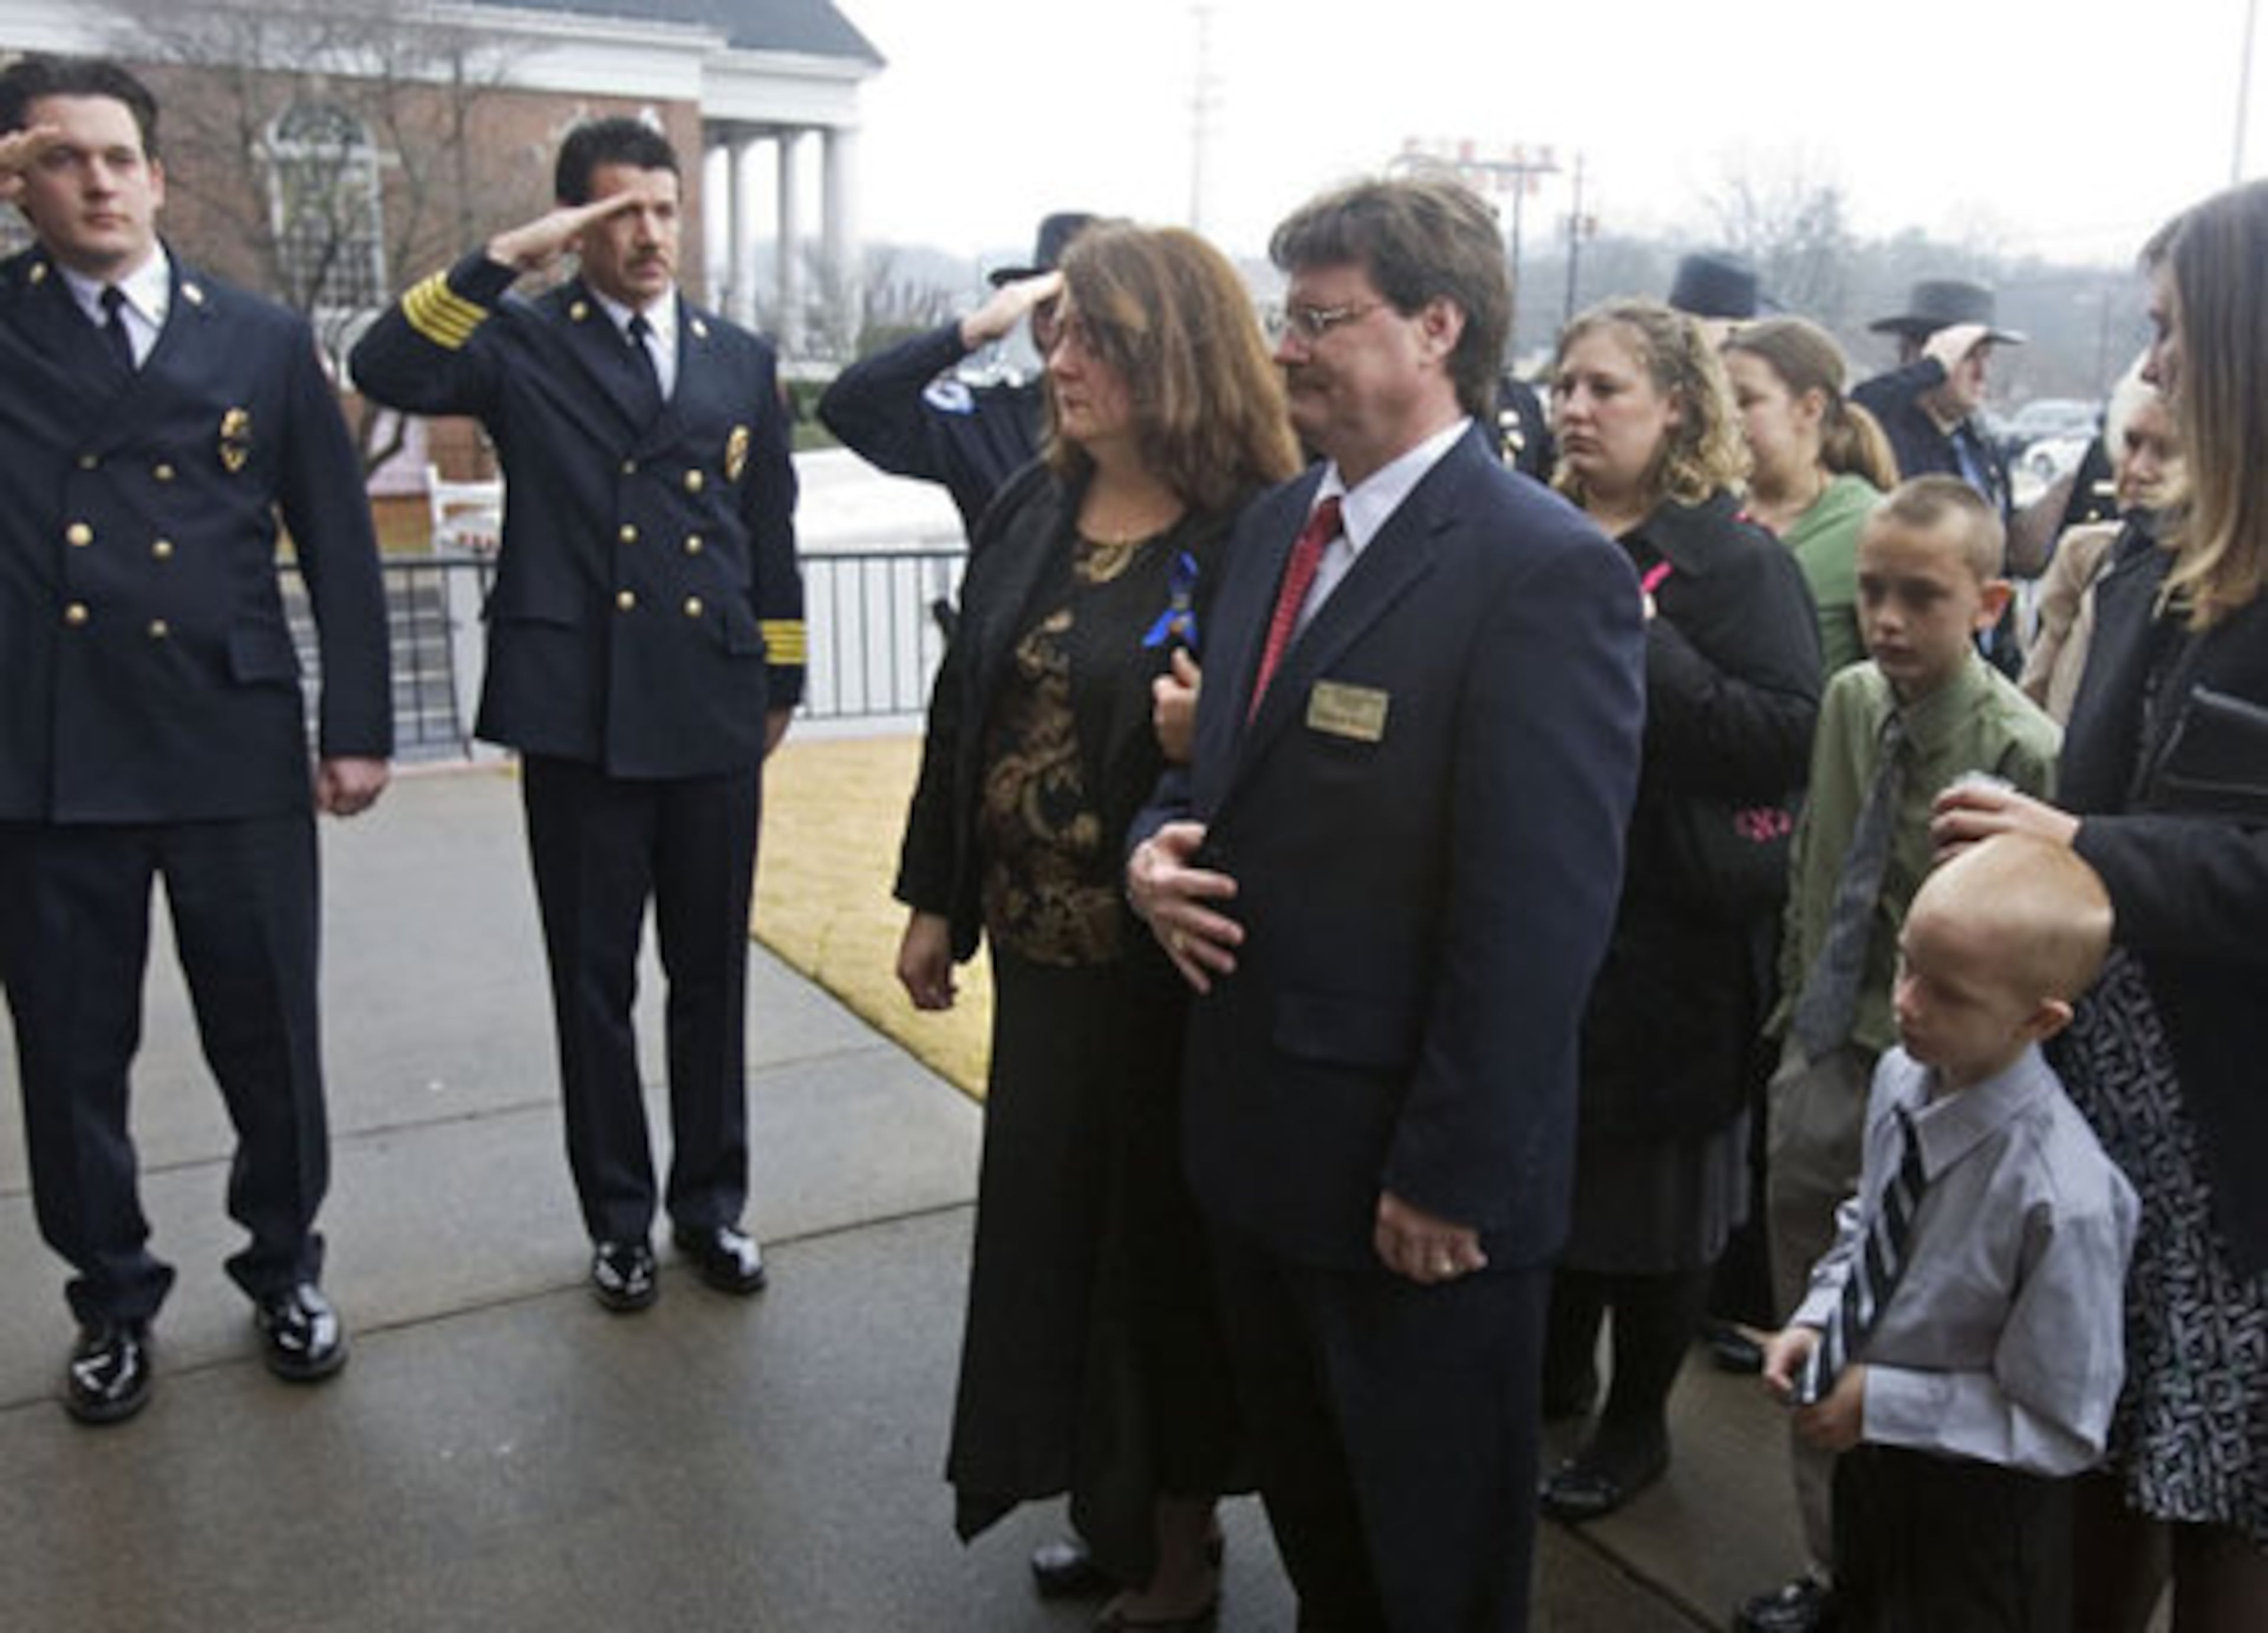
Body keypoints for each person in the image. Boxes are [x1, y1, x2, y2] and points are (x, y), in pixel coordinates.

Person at [1128, 175, 1647, 1632]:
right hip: (1260, 1155)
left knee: (1432, 1575)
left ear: (1437, 326)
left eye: (1319, 320)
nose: (1284, 349)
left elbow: (1536, 919)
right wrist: (1148, 851)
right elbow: (1206, 775)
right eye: (1281, 316)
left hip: (1413, 1197)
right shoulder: (1277, 526)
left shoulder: (1540, 573)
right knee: (1329, 1554)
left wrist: (1448, 1176)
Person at [894, 220, 1296, 1631]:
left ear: (1174, 354)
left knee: (1154, 1269)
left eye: (1094, 339)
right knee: (1056, 1252)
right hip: (1045, 970)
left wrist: (1221, 732)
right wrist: (935, 898)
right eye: (1057, 334)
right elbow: (968, 710)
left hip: (1168, 986)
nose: (1059, 361)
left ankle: (1174, 1552)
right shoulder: (1032, 505)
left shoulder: (1259, 525)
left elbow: (1303, 756)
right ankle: (1110, 1501)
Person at [350, 118, 804, 1313]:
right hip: (582, 709)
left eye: (663, 210)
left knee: (710, 975)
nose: (649, 234)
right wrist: (508, 254)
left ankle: (711, 1203)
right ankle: (617, 1218)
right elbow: (382, 363)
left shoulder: (735, 354)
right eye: (619, 215)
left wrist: (781, 678)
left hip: (709, 702)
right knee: (594, 981)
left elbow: (768, 528)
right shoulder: (520, 343)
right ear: (576, 227)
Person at [0, 54, 393, 1425]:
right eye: (61, 159)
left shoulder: (260, 337)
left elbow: (340, 547)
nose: (97, 182)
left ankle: (284, 1265)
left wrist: (356, 725)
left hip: (230, 739)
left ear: (161, 177)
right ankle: (111, 1301)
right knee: (68, 1052)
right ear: (16, 183)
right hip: (49, 752)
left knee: (267, 1035)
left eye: (119, 158)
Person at [1934, 176, 2268, 1633]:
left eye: (2174, 332)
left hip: (2232, 1136)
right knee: (2088, 1454)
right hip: (2100, 1106)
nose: (2154, 369)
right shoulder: (2155, 550)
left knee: (2218, 1498)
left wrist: (2075, 839)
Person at [1737, 476, 2061, 1633]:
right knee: (1810, 1334)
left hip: (1942, 1090)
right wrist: (1793, 1021)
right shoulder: (1843, 702)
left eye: (1921, 597)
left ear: (1988, 600)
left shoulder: (2023, 749)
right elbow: (1821, 864)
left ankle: (1909, 1580)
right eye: (1871, 590)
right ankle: (1833, 1568)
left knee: (1919, 1349)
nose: (1886, 617)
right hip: (1829, 1059)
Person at [1536, 299, 1821, 1523]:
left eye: (1605, 388)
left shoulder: (1735, 561)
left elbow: (1783, 736)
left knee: (1652, 1197)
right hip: (1544, 913)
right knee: (1548, 1168)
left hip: (1672, 940)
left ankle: (1637, 1415)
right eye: (1564, 385)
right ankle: (1552, 1377)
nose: (1573, 408)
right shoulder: (1532, 531)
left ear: (1677, 409)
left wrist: (1645, 640)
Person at [1762, 833, 2139, 1633]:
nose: (1906, 1004)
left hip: (1978, 1513)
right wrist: (1819, 1317)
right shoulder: (1903, 1077)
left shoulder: (2063, 1198)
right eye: (1907, 967)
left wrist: (1885, 1402)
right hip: (1874, 1461)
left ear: (2039, 1019)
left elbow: (2062, 1424)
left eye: (1949, 993)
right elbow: (1869, 1222)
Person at [817, 211, 1095, 539]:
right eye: (1047, 309)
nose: (1062, 327)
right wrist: (971, 332)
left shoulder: (1153, 425)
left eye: (1084, 312)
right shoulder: (990, 420)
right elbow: (850, 407)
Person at [1723, 317, 1899, 674]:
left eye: (1745, 401)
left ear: (1809, 408)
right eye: (1719, 403)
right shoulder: (1709, 513)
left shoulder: (1870, 526)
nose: (1727, 419)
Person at [2018, 366, 2182, 725]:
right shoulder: (2085, 555)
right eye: (2132, 443)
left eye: (2167, 451)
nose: (2138, 469)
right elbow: (2033, 701)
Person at [1852, 279, 2023, 520]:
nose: (1982, 374)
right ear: (1916, 356)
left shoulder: (1981, 445)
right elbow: (1852, 409)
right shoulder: (1885, 432)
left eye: (1986, 358)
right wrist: (1932, 368)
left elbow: (2011, 542)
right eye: (1967, 358)